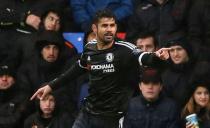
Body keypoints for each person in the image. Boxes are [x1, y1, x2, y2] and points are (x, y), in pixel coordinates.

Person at [31, 9, 170, 128]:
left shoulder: (125, 48)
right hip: (88, 113)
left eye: (112, 25)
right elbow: (77, 69)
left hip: (112, 118)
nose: (109, 29)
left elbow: (143, 57)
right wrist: (50, 86)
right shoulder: (90, 47)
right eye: (105, 26)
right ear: (95, 29)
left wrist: (157, 56)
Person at [18, 31, 78, 116]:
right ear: (41, 51)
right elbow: (24, 99)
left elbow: (71, 97)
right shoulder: (28, 69)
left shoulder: (67, 69)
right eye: (47, 47)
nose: (51, 53)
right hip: (34, 115)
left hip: (62, 116)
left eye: (55, 48)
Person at [162, 33, 195, 109]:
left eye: (179, 49)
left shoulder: (199, 70)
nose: (175, 54)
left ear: (187, 50)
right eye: (172, 50)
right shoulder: (166, 75)